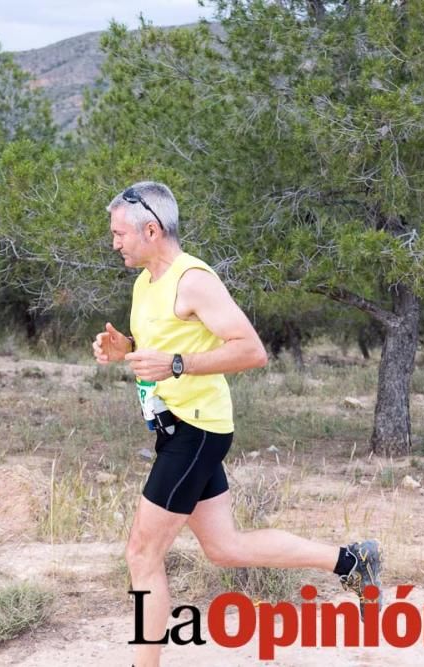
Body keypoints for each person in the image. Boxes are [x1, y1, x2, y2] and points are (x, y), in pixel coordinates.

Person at [92, 182, 382, 667]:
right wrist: (127, 350)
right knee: (225, 548)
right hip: (175, 429)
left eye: (120, 233)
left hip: (196, 429)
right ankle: (352, 562)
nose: (114, 242)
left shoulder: (194, 280)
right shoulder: (146, 284)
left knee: (142, 556)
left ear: (151, 229)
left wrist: (178, 364)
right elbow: (159, 349)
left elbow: (251, 351)